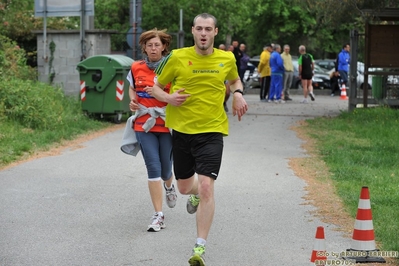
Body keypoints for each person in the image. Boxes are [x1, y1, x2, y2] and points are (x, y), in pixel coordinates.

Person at [149, 13, 248, 266]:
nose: (203, 33)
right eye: (199, 29)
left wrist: (237, 93)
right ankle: (193, 194)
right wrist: (168, 98)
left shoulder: (226, 58)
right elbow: (156, 86)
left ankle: (199, 247)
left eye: (208, 29)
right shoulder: (177, 57)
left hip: (212, 131)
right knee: (184, 187)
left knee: (206, 186)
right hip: (181, 131)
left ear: (215, 32)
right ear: (193, 31)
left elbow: (235, 79)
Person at [126, 28, 177, 232]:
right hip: (143, 124)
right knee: (153, 168)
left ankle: (169, 185)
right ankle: (159, 215)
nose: (153, 48)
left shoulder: (172, 66)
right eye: (149, 45)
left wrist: (161, 94)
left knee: (166, 169)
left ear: (164, 46)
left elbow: (178, 92)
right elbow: (131, 88)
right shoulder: (136, 67)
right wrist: (132, 99)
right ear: (144, 48)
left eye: (157, 45)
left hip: (166, 123)